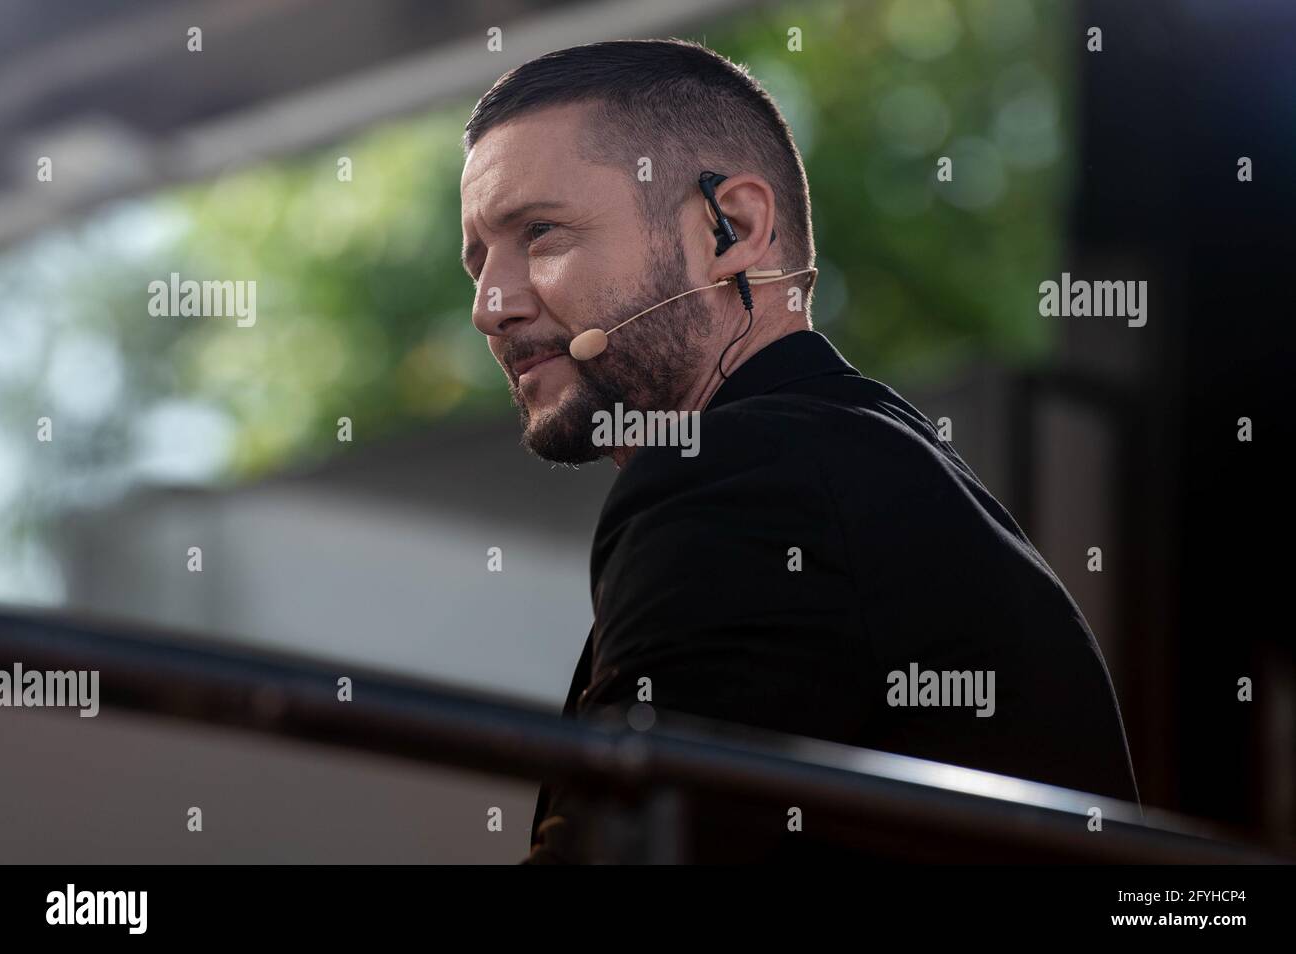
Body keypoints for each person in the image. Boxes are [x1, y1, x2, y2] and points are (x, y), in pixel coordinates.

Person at [458, 39, 1138, 863]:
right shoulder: (848, 463)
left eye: (539, 233)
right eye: (477, 261)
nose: (490, 307)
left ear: (731, 228)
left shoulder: (747, 472)